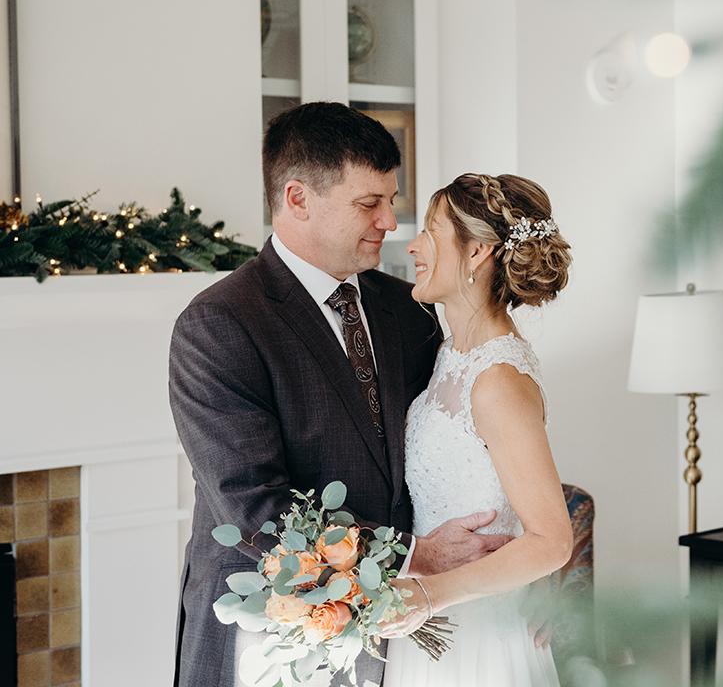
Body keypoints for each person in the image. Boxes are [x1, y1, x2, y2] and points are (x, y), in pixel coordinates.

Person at [169, 103, 511, 687]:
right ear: (298, 198)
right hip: (270, 632)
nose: (389, 221)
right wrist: (411, 555)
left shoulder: (412, 311)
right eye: (368, 203)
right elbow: (254, 509)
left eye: (392, 199)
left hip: (407, 635)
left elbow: (473, 441)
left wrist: (521, 573)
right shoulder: (220, 324)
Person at [379, 173, 573, 687]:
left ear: (477, 253)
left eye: (431, 232)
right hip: (430, 624)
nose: (414, 246)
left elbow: (552, 540)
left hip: (478, 636)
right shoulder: (450, 351)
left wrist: (428, 595)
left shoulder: (497, 380)